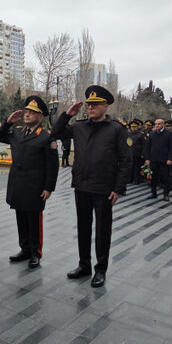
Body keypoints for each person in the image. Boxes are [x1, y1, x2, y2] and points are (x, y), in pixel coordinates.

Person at [52, 85, 132, 288]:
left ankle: (100, 269)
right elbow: (56, 132)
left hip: (104, 188)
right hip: (82, 185)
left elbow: (126, 160)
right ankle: (84, 265)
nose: (90, 107)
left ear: (105, 106)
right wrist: (67, 114)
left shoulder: (116, 129)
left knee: (102, 231)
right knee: (83, 227)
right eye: (89, 104)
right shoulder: (79, 126)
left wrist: (118, 188)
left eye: (95, 104)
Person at [0, 96, 59, 269]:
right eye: (27, 111)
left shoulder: (46, 137)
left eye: (33, 112)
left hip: (35, 185)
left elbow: (52, 166)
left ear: (40, 117)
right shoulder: (17, 132)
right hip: (18, 183)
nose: (28, 114)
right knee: (21, 218)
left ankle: (35, 253)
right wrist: (7, 122)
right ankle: (24, 249)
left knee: (34, 220)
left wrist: (48, 188)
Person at [144, 119, 172, 201]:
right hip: (153, 159)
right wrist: (147, 158)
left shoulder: (169, 133)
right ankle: (153, 193)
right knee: (153, 177)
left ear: (163, 124)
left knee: (166, 178)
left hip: (165, 160)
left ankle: (166, 194)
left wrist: (170, 158)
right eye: (156, 124)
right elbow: (147, 147)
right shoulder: (151, 133)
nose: (157, 125)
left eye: (159, 124)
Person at [128, 119, 145, 183]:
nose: (133, 128)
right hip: (130, 154)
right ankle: (130, 179)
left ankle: (136, 179)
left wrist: (143, 154)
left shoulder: (140, 135)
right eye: (132, 127)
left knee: (137, 168)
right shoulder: (128, 134)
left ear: (137, 127)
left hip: (138, 154)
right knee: (130, 168)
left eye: (135, 127)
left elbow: (144, 145)